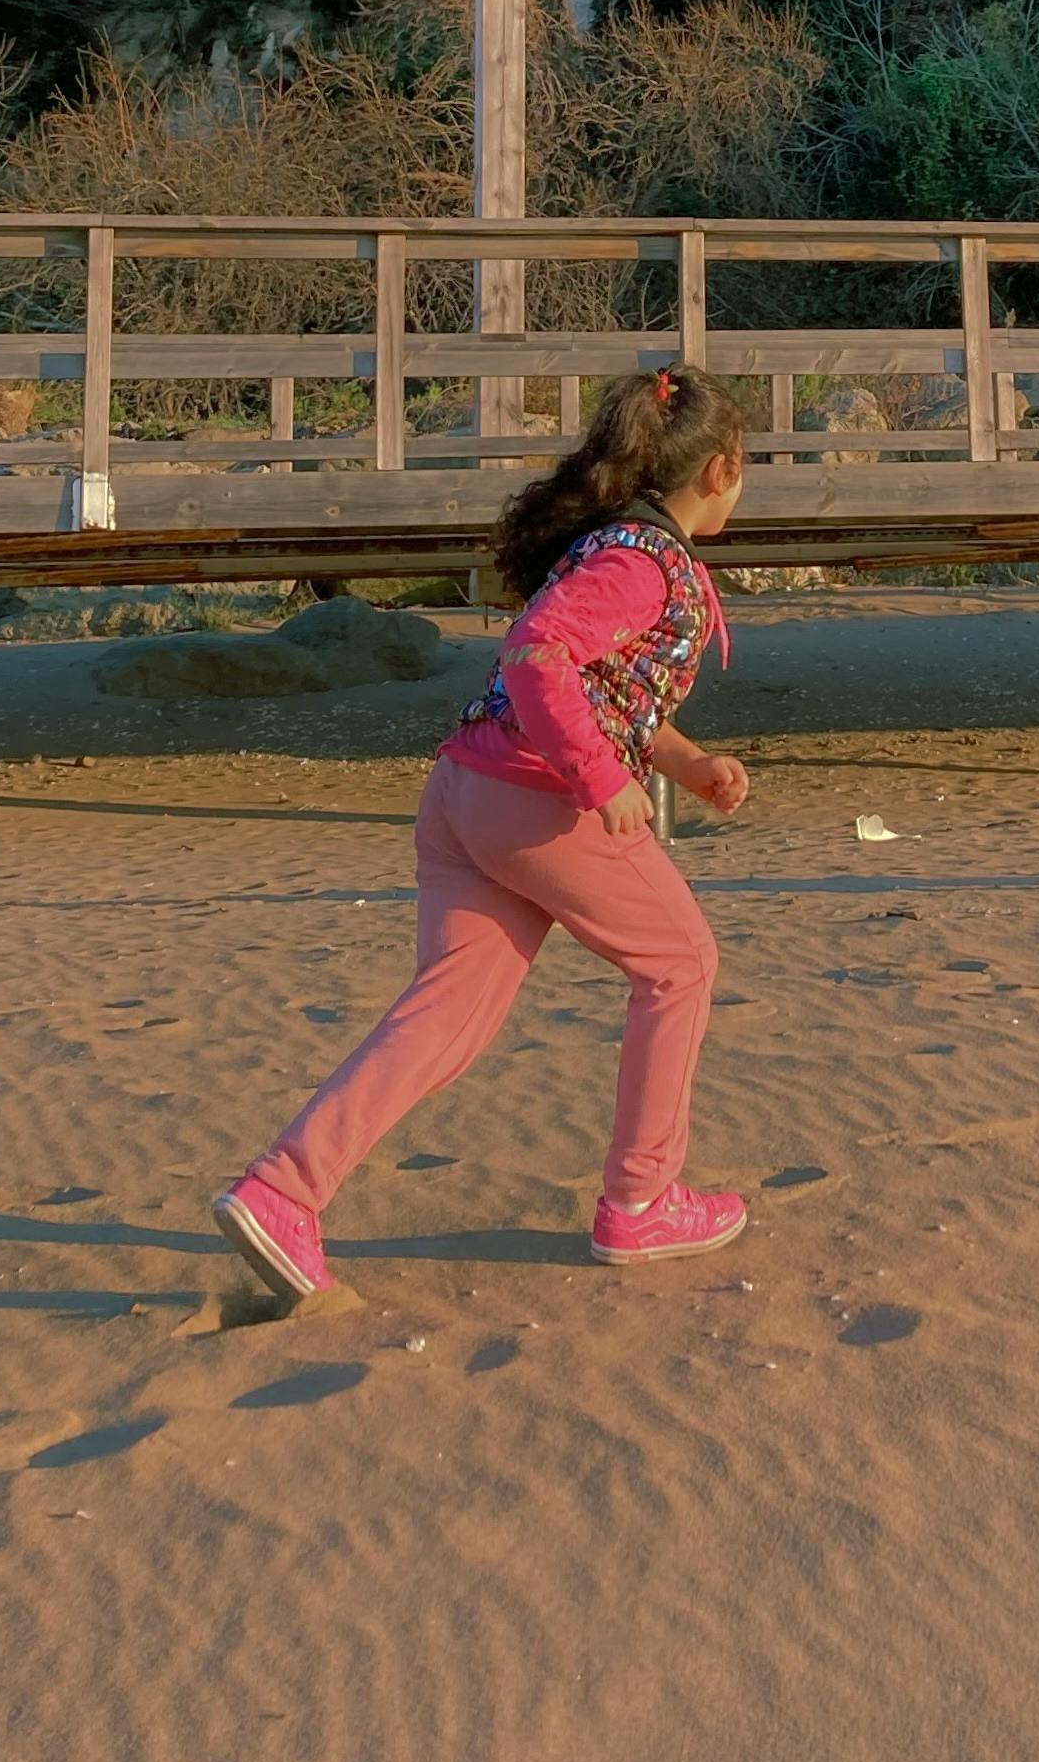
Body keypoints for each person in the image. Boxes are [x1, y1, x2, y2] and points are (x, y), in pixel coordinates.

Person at [213, 363, 754, 1294]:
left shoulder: (616, 548)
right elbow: (538, 653)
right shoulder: (637, 563)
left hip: (467, 793)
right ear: (722, 470)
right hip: (538, 804)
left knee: (446, 1017)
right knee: (681, 964)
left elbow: (605, 691)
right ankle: (639, 1201)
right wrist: (597, 776)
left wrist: (686, 765)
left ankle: (283, 1193)